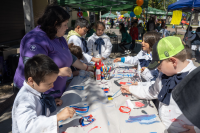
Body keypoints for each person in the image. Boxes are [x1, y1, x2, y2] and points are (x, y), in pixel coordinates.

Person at [120, 36, 199, 133]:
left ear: (173, 61)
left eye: (159, 65)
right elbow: (152, 91)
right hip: (162, 127)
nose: (157, 69)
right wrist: (131, 89)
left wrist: (197, 129)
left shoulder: (196, 79)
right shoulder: (164, 74)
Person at [13, 5, 94, 98]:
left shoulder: (58, 37)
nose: (67, 27)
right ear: (55, 24)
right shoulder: (35, 39)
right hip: (34, 95)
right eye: (65, 24)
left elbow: (69, 57)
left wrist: (88, 68)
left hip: (52, 94)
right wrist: (58, 72)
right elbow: (32, 68)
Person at [12, 54, 76, 133]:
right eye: (49, 84)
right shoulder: (25, 100)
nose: (52, 86)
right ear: (31, 81)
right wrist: (57, 118)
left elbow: (38, 108)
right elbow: (27, 127)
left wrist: (49, 104)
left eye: (53, 82)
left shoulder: (35, 89)